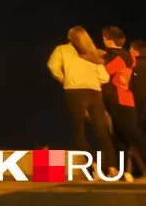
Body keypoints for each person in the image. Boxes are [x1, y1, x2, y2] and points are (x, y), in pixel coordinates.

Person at [49, 28, 118, 174]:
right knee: (102, 132)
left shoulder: (62, 49)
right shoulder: (94, 52)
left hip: (75, 92)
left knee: (78, 132)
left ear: (69, 37)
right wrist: (93, 81)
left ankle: (93, 163)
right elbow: (104, 77)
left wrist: (65, 79)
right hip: (94, 92)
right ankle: (112, 167)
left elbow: (52, 66)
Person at [102, 27, 146, 178]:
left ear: (109, 40)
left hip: (119, 100)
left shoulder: (119, 57)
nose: (103, 41)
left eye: (104, 38)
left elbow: (104, 72)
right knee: (120, 139)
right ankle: (122, 173)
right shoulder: (126, 56)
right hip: (124, 100)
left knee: (134, 137)